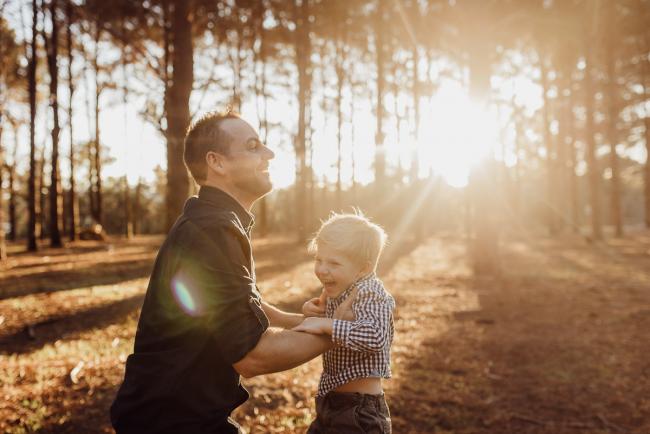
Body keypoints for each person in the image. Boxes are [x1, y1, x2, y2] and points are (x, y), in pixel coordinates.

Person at [110, 110, 333, 434]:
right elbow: (252, 357)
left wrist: (304, 322)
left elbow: (240, 305)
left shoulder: (212, 219)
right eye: (253, 145)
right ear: (217, 162)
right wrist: (345, 332)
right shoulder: (213, 229)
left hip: (184, 417)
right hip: (169, 423)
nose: (269, 153)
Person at [293, 212, 395, 433]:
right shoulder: (337, 288)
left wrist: (326, 325)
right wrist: (312, 313)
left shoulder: (370, 292)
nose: (322, 269)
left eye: (333, 263)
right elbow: (333, 326)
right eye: (319, 259)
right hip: (330, 403)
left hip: (360, 411)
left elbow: (375, 336)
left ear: (364, 269)